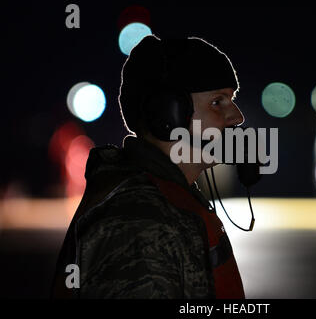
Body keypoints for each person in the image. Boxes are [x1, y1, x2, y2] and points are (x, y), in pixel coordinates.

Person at [51, 34, 247, 299]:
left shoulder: (166, 199)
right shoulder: (138, 221)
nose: (236, 116)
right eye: (217, 102)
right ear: (169, 114)